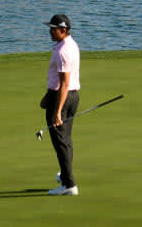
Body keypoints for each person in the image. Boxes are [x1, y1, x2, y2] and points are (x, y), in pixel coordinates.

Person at [41, 13, 80, 196]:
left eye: (53, 29)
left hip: (62, 98)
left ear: (63, 30)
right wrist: (47, 96)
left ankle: (69, 185)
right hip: (72, 96)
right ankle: (65, 175)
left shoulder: (64, 51)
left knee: (60, 143)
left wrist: (57, 111)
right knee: (66, 140)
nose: (50, 31)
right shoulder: (70, 45)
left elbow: (64, 83)